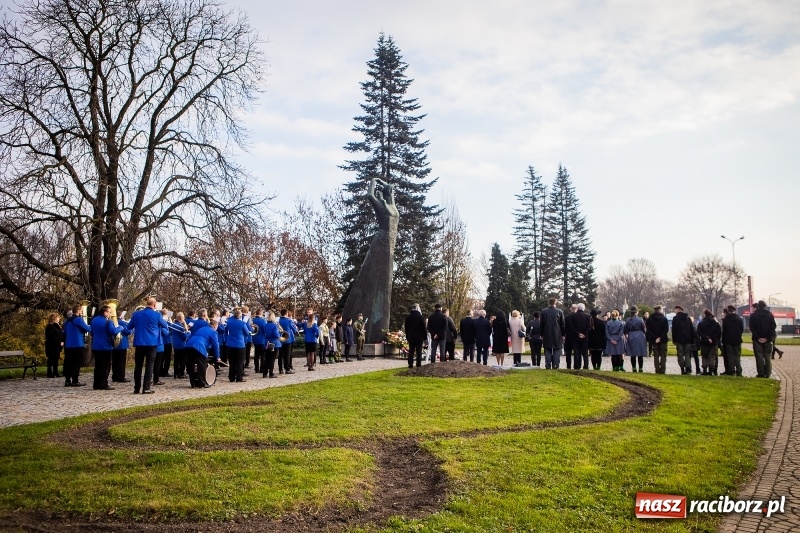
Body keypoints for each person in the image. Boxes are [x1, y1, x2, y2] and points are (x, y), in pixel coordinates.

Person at [126, 297, 171, 394]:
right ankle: (146, 388)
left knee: (138, 366)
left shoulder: (136, 314)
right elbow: (165, 325)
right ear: (154, 305)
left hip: (139, 343)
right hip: (152, 343)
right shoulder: (157, 315)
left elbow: (129, 327)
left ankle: (136, 388)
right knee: (149, 365)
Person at [90, 304, 125, 390]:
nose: (110, 314)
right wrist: (120, 328)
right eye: (109, 312)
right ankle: (103, 384)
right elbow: (113, 331)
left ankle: (96, 384)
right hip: (105, 346)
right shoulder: (108, 321)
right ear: (105, 313)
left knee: (98, 366)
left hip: (96, 346)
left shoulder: (94, 320)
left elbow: (91, 332)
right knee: (105, 367)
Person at [185, 318, 221, 388]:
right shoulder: (213, 332)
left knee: (190, 364)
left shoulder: (202, 328)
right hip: (199, 346)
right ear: (214, 326)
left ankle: (193, 383)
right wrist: (217, 357)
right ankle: (202, 383)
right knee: (202, 364)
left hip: (189, 344)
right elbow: (216, 345)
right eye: (216, 327)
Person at [62, 304, 91, 387]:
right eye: (81, 310)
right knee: (76, 363)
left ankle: (67, 380)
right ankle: (75, 380)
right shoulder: (78, 320)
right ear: (78, 311)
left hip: (68, 344)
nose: (82, 312)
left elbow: (65, 333)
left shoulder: (67, 321)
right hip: (77, 343)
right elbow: (87, 329)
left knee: (68, 362)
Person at [750, 300, 777, 378]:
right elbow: (773, 327)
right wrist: (767, 338)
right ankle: (768, 373)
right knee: (768, 357)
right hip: (768, 340)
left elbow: (752, 328)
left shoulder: (753, 315)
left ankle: (761, 373)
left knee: (759, 357)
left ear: (758, 306)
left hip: (757, 339)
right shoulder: (769, 314)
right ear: (765, 306)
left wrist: (758, 337)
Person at [225, 308, 252, 382]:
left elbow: (226, 330)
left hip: (230, 344)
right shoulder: (242, 323)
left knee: (232, 362)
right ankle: (239, 377)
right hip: (240, 344)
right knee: (240, 362)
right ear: (240, 316)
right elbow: (247, 333)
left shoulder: (229, 322)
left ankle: (231, 377)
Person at [540, 298, 565, 369]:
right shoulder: (559, 312)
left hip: (546, 333)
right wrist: (563, 334)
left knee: (547, 349)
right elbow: (562, 324)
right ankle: (556, 365)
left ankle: (548, 365)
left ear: (549, 303)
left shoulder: (544, 311)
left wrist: (541, 334)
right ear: (555, 303)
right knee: (557, 349)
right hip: (557, 333)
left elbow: (541, 324)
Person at [696, 309, 722, 375]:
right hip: (713, 342)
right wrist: (712, 338)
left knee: (704, 356)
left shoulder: (701, 323)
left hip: (704, 342)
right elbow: (719, 332)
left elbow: (699, 332)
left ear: (704, 314)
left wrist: (706, 337)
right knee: (712, 356)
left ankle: (704, 369)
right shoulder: (715, 323)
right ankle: (711, 370)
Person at [671, 305, 695, 375]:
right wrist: (692, 340)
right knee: (687, 354)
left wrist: (674, 340)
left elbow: (674, 330)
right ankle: (688, 368)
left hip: (679, 339)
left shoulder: (675, 318)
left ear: (678, 310)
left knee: (680, 354)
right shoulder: (688, 318)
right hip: (688, 339)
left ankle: (682, 368)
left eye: (675, 309)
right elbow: (691, 330)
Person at [645, 306, 669, 374]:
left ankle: (657, 369)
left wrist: (655, 338)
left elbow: (649, 330)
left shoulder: (649, 319)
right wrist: (660, 337)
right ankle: (662, 370)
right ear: (660, 310)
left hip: (654, 340)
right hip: (663, 339)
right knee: (663, 355)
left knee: (656, 355)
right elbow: (666, 330)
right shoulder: (664, 319)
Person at [721, 305, 744, 376]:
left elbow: (724, 331)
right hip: (737, 340)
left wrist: (723, 339)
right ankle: (739, 370)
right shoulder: (739, 319)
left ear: (728, 311)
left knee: (730, 356)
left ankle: (731, 370)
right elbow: (741, 329)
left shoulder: (725, 319)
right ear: (734, 310)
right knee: (737, 355)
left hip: (728, 340)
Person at [566, 303, 591, 370]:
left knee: (577, 352)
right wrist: (584, 334)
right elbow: (589, 327)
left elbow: (572, 327)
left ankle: (577, 365)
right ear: (583, 308)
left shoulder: (573, 316)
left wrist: (578, 333)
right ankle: (585, 365)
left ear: (577, 308)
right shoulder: (588, 316)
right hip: (585, 337)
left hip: (576, 336)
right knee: (585, 353)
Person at [623, 306, 647, 372]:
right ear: (637, 312)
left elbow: (625, 330)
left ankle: (634, 368)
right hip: (640, 336)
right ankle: (641, 368)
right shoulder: (640, 319)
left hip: (631, 335)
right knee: (640, 353)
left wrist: (627, 335)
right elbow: (644, 329)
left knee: (632, 353)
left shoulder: (627, 320)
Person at [261, 311, 282, 378]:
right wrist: (280, 335)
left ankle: (264, 373)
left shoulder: (265, 325)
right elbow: (276, 334)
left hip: (267, 342)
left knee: (267, 358)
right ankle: (271, 373)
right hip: (274, 342)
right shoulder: (274, 326)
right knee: (272, 358)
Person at [111, 316, 132, 383]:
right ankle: (121, 377)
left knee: (115, 361)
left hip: (114, 344)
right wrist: (132, 328)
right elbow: (128, 331)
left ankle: (115, 376)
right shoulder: (121, 322)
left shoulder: (111, 321)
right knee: (121, 362)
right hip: (122, 344)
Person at [169, 312, 189, 379]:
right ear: (181, 318)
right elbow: (184, 337)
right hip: (181, 345)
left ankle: (176, 373)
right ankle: (181, 373)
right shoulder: (180, 326)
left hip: (175, 344)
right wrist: (188, 332)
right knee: (182, 360)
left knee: (176, 359)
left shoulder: (173, 325)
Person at [44, 313, 63, 378]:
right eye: (57, 317)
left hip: (57, 346)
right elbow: (52, 336)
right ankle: (49, 372)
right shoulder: (50, 326)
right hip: (52, 345)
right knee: (51, 359)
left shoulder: (57, 326)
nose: (59, 318)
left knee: (56, 359)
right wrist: (59, 342)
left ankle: (55, 372)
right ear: (54, 318)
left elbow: (60, 334)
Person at [278, 309, 297, 373]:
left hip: (280, 339)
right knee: (287, 355)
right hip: (287, 339)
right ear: (286, 313)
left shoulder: (278, 320)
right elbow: (294, 329)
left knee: (280, 355)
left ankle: (280, 369)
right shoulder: (289, 320)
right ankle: (287, 369)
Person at [563, 304, 577, 369]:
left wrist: (564, 334)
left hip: (568, 336)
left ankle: (568, 365)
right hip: (576, 336)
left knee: (568, 352)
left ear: (571, 309)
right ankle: (576, 365)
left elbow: (564, 327)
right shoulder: (577, 317)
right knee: (576, 352)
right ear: (576, 309)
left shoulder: (567, 317)